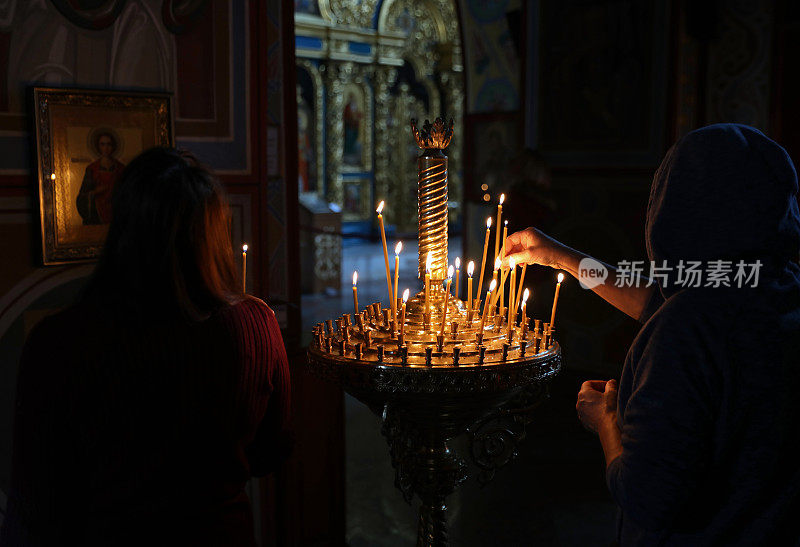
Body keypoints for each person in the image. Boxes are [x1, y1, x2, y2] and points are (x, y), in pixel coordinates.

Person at [503, 124, 800, 544]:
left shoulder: (688, 330)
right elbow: (659, 296)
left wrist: (606, 422)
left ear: (676, 204)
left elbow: (648, 499)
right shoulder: (771, 284)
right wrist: (558, 255)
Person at [2, 148, 292, 546]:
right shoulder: (256, 325)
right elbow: (268, 454)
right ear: (211, 234)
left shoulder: (60, 343)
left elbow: (34, 507)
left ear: (121, 228)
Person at [76, 130, 126, 225]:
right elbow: (82, 197)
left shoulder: (121, 168)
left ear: (113, 146)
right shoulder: (92, 169)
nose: (106, 148)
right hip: (96, 214)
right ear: (98, 147)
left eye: (109, 144)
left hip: (116, 213)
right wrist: (95, 192)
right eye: (102, 144)